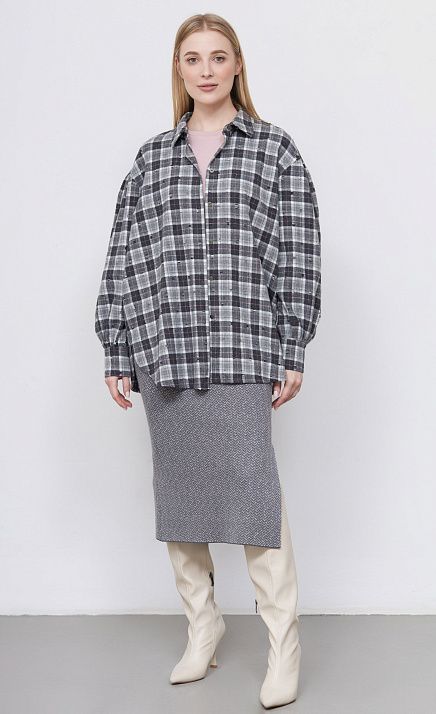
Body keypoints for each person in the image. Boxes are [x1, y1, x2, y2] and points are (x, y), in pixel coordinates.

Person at [94, 12, 321, 710]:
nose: (206, 69)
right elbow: (126, 255)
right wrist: (117, 345)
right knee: (181, 494)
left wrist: (292, 343)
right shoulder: (152, 159)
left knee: (255, 494)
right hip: (166, 348)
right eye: (192, 58)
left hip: (243, 346)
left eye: (218, 56)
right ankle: (203, 627)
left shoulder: (274, 151)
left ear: (237, 65)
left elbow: (298, 251)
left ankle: (284, 644)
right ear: (179, 69)